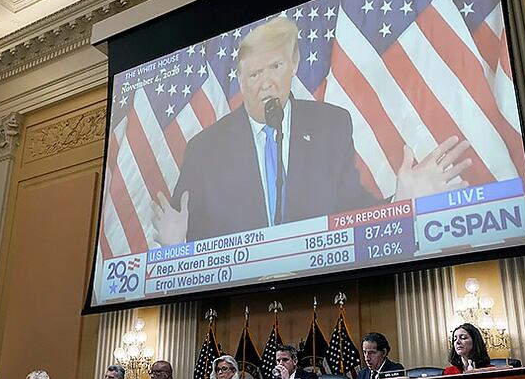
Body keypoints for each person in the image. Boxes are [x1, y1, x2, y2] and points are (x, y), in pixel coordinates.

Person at [153, 16, 472, 244]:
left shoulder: (331, 125)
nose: (266, 83)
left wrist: (400, 202)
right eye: (254, 74)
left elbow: (349, 210)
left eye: (275, 67)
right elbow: (185, 226)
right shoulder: (205, 147)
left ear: (293, 63)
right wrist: (176, 245)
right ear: (240, 79)